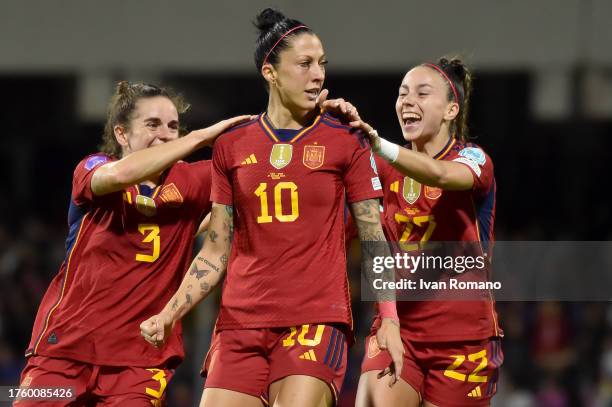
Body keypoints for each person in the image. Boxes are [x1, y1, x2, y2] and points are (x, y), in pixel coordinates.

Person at [140, 8, 404, 407]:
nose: (318, 74)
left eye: (322, 65)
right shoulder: (233, 145)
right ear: (271, 72)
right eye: (305, 64)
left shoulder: (345, 139)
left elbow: (373, 239)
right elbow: (215, 251)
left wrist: (389, 318)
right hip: (240, 325)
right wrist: (168, 314)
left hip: (316, 320)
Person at [16, 81, 250, 406]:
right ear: (122, 134)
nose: (166, 134)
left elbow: (260, 166)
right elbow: (118, 176)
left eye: (173, 126)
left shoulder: (195, 181)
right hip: (64, 351)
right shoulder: (92, 167)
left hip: (140, 361)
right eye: (152, 124)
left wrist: (317, 121)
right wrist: (199, 138)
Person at [347, 57, 503, 406]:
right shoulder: (383, 173)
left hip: (463, 340)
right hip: (398, 328)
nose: (407, 101)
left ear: (451, 109)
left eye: (421, 92)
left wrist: (378, 146)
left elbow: (444, 176)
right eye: (402, 94)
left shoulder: (474, 159)